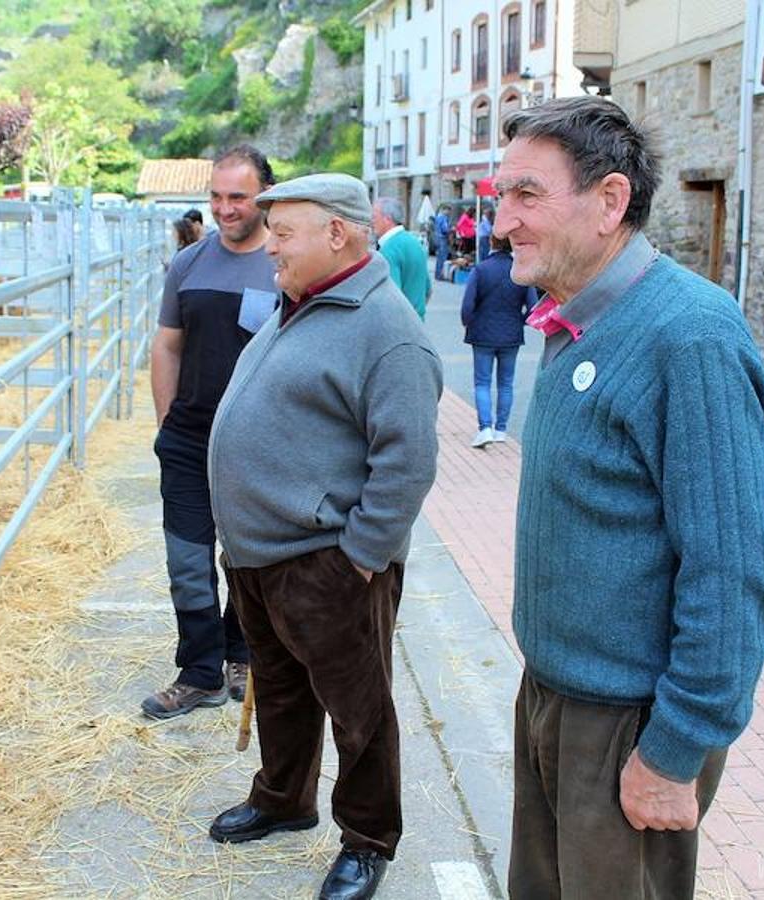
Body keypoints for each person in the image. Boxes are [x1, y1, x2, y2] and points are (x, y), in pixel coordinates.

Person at [492, 96, 764, 898]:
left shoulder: (689, 335)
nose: (500, 223)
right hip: (555, 697)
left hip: (630, 725)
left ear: (610, 201)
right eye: (499, 198)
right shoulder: (576, 321)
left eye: (526, 195)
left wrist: (675, 749)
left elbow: (735, 574)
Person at [206, 173, 442, 900]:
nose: (268, 245)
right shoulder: (301, 304)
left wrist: (360, 558)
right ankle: (284, 798)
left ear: (335, 234)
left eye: (283, 233)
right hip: (259, 555)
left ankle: (368, 841)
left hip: (327, 562)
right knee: (279, 687)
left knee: (358, 708)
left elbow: (407, 459)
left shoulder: (386, 328)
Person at [144, 145, 279, 720]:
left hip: (259, 442)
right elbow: (167, 344)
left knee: (246, 557)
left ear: (265, 197)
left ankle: (242, 653)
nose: (225, 209)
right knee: (187, 559)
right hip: (190, 438)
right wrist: (167, 425)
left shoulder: (284, 264)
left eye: (238, 198)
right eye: (217, 197)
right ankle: (198, 670)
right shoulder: (190, 264)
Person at [460, 234, 536, 448]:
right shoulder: (520, 270)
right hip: (511, 335)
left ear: (491, 244)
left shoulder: (481, 270)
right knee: (506, 383)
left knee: (482, 382)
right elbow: (533, 308)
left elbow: (467, 306)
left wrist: (469, 322)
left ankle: (485, 428)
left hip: (482, 334)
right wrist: (518, 322)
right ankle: (501, 429)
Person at [371, 196, 431, 320]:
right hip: (417, 322)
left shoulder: (389, 249)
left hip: (399, 325)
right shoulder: (414, 242)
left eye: (374, 217)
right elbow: (428, 289)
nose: (371, 222)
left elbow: (390, 297)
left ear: (387, 219)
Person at [432, 204, 452, 280]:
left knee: (439, 257)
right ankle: (440, 275)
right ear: (445, 210)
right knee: (442, 257)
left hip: (437, 238)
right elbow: (444, 229)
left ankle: (437, 274)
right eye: (448, 211)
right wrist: (450, 229)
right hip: (442, 239)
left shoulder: (437, 217)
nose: (449, 213)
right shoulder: (443, 218)